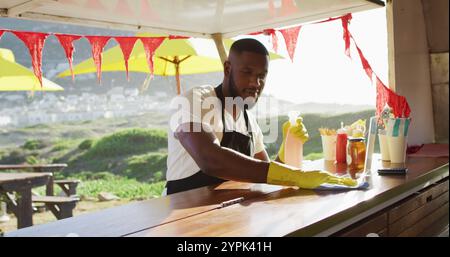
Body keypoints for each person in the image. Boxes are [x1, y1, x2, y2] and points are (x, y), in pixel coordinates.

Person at [165, 38, 356, 195]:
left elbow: (265, 172)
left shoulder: (248, 121)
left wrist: (286, 148)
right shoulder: (192, 101)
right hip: (182, 214)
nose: (256, 82)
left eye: (262, 75)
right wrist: (296, 176)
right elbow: (210, 159)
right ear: (227, 69)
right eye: (247, 72)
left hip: (225, 216)